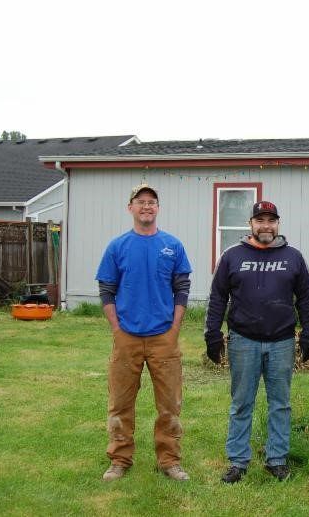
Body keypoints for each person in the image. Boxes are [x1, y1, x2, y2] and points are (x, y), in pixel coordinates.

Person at [204, 201, 309, 483]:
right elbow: (218, 297)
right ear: (250, 224)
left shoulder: (293, 257)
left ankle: (277, 459)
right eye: (260, 220)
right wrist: (212, 333)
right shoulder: (232, 256)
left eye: (271, 220)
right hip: (244, 341)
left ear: (278, 224)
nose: (265, 226)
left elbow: (305, 298)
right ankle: (237, 462)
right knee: (242, 403)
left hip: (281, 342)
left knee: (280, 403)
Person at [96, 184, 192, 482]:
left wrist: (175, 328)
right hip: (127, 336)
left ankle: (170, 461)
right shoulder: (117, 246)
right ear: (131, 208)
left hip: (164, 336)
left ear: (157, 208)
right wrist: (116, 328)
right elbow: (106, 291)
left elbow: (182, 289)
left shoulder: (172, 246)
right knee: (121, 403)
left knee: (169, 405)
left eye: (152, 202)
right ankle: (120, 459)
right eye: (141, 202)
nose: (146, 207)